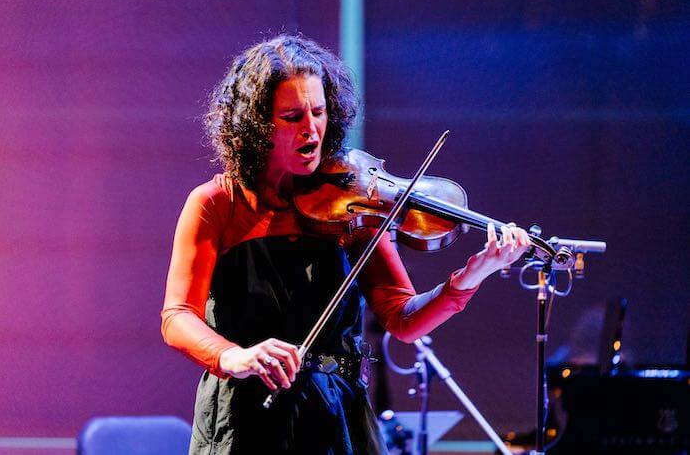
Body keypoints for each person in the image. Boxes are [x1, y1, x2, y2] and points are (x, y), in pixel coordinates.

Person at [161, 35, 530, 455]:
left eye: (319, 112)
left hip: (336, 418)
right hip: (246, 418)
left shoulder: (349, 205)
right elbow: (177, 316)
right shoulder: (218, 203)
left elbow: (403, 319)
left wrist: (473, 274)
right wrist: (233, 357)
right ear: (258, 125)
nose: (312, 128)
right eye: (292, 116)